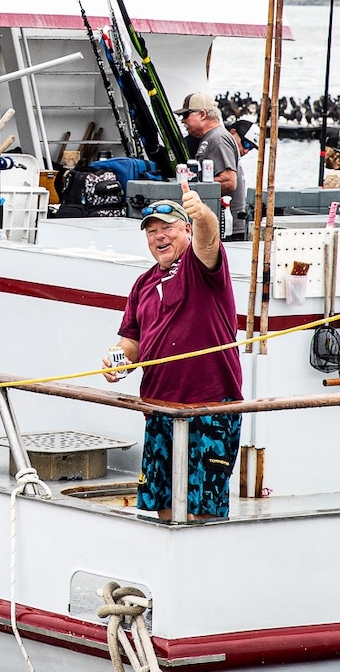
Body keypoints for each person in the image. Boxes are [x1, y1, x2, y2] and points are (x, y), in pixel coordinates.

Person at [102, 196, 242, 521]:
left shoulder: (200, 266)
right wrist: (118, 361)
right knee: (162, 509)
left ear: (186, 230)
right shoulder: (143, 284)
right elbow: (132, 341)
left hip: (209, 410)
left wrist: (202, 212)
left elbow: (209, 239)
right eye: (151, 231)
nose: (159, 236)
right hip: (159, 410)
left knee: (202, 512)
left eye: (167, 228)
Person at [176, 94, 246, 223]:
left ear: (202, 114)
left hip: (225, 226)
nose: (183, 121)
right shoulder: (212, 137)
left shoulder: (217, 139)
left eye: (186, 115)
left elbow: (228, 182)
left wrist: (190, 192)